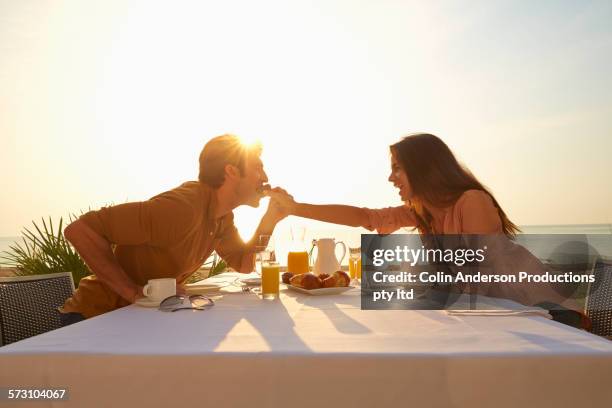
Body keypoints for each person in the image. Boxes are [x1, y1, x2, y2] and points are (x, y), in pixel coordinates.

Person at [269, 133, 588, 328]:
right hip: (498, 316)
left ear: (423, 168)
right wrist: (296, 208)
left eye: (397, 167)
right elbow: (367, 217)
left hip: (546, 315)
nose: (390, 178)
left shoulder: (471, 201)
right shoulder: (422, 211)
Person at [59, 134, 288, 324]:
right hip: (94, 318)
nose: (265, 177)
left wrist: (270, 220)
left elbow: (245, 263)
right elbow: (80, 230)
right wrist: (132, 292)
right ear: (231, 171)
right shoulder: (182, 208)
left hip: (139, 319)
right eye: (258, 168)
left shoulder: (222, 217)